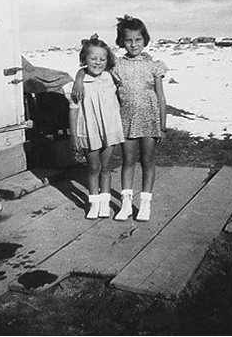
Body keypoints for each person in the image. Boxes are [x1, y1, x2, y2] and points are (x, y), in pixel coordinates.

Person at [72, 15, 168, 221]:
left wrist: (163, 123)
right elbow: (92, 68)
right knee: (128, 161)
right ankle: (125, 204)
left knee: (148, 161)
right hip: (126, 121)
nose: (133, 44)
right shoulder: (116, 66)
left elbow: (160, 95)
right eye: (128, 40)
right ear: (121, 42)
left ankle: (144, 204)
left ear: (145, 39)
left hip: (150, 120)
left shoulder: (155, 65)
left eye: (138, 40)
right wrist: (79, 79)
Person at [63, 34, 124, 219]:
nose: (98, 62)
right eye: (93, 58)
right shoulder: (77, 86)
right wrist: (73, 136)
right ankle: (94, 203)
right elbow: (73, 111)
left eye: (102, 59)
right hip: (89, 132)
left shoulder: (111, 78)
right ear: (84, 59)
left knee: (106, 168)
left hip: (109, 130)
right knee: (92, 168)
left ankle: (104, 204)